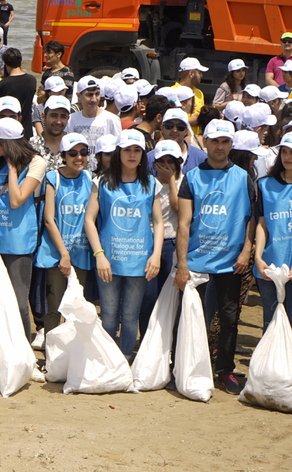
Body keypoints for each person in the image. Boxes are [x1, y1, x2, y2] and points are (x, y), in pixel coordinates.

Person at [175, 118, 255, 395]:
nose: (220, 146)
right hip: (197, 262)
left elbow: (250, 218)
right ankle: (190, 366)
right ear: (205, 142)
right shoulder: (193, 177)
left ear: (232, 145)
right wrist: (182, 263)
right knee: (193, 317)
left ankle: (224, 370)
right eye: (215, 141)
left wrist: (246, 250)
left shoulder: (243, 177)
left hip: (230, 262)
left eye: (225, 142)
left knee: (230, 318)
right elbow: (184, 223)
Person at [84, 129, 163, 358]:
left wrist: (156, 254)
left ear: (143, 154)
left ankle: (125, 359)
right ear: (119, 152)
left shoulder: (152, 183)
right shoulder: (102, 181)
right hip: (109, 259)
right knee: (108, 314)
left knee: (130, 315)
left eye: (137, 150)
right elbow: (89, 220)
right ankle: (107, 360)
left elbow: (158, 223)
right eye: (127, 149)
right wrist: (99, 254)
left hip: (140, 260)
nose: (132, 155)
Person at [0, 118, 46, 344]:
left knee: (18, 301)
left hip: (19, 241)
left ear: (8, 143)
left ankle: (23, 351)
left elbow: (17, 200)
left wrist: (12, 169)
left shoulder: (36, 162)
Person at [34, 133, 93, 332]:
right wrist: (64, 254)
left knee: (77, 307)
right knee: (55, 307)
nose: (79, 157)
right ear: (63, 156)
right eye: (73, 153)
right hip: (57, 253)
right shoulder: (53, 178)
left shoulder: (90, 178)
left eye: (83, 152)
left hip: (82, 251)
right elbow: (49, 219)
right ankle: (52, 357)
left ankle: (74, 355)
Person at [253, 130, 292, 345]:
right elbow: (262, 224)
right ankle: (269, 375)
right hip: (270, 265)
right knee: (270, 322)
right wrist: (258, 256)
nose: (288, 157)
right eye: (285, 152)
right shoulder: (264, 184)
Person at [141, 139, 183, 334]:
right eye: (162, 161)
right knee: (148, 297)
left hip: (172, 243)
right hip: (149, 242)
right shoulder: (148, 183)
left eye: (171, 161)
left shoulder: (184, 182)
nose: (166, 165)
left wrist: (172, 180)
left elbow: (179, 209)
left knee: (169, 297)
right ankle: (146, 342)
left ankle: (167, 342)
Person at [64, 76, 121, 171]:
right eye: (89, 95)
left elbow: (118, 151)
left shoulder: (112, 119)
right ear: (79, 96)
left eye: (97, 94)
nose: (94, 99)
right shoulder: (71, 120)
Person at [146, 109, 206, 173]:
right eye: (169, 126)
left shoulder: (201, 158)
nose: (174, 130)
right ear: (162, 128)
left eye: (180, 127)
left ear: (186, 131)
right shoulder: (149, 159)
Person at [0, 48, 37, 138]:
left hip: (9, 130)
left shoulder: (4, 84)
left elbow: (0, 106)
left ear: (6, 64)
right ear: (20, 61)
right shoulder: (32, 80)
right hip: (27, 127)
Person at [30, 95, 71, 172]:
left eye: (63, 116)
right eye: (54, 116)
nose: (58, 121)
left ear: (68, 118)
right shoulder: (31, 147)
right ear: (43, 116)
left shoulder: (74, 147)